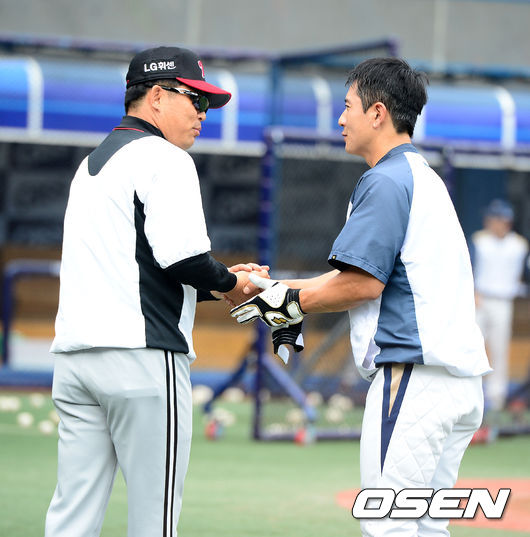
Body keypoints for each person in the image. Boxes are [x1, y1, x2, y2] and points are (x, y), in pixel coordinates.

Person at [232, 58, 491, 537]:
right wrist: (278, 289)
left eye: (347, 106)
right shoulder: (421, 176)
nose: (340, 118)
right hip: (455, 382)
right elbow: (358, 277)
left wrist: (284, 303)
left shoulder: (386, 179)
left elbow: (361, 285)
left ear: (377, 113)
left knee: (387, 526)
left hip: (414, 379)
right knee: (426, 529)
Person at [45, 46, 267, 537]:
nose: (203, 114)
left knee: (71, 519)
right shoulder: (165, 158)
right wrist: (235, 284)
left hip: (76, 362)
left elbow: (142, 268)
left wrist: (219, 285)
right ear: (158, 96)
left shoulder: (91, 164)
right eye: (196, 100)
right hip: (142, 360)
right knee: (155, 521)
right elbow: (183, 260)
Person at [471, 199, 529, 413]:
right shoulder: (479, 240)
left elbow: (524, 273)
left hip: (504, 300)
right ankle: (471, 393)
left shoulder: (519, 245)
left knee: (500, 349)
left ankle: (497, 397)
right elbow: (469, 267)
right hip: (480, 298)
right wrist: (473, 291)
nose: (493, 222)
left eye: (498, 219)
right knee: (473, 346)